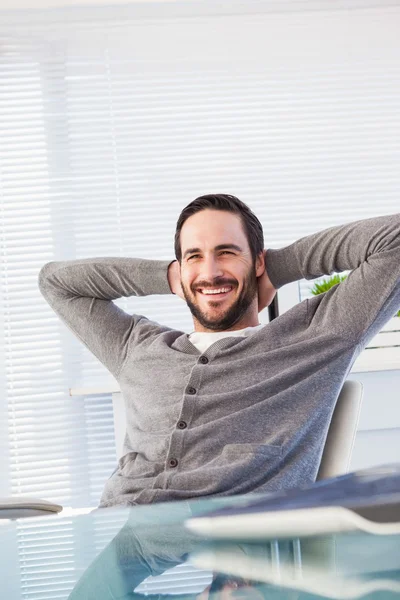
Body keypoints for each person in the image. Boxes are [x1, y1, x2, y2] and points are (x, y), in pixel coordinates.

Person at [38, 194, 400, 508]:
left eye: (226, 253)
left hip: (229, 557)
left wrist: (278, 267)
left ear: (257, 261)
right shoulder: (136, 345)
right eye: (194, 256)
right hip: (116, 541)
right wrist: (171, 276)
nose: (210, 273)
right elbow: (56, 282)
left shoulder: (313, 338)